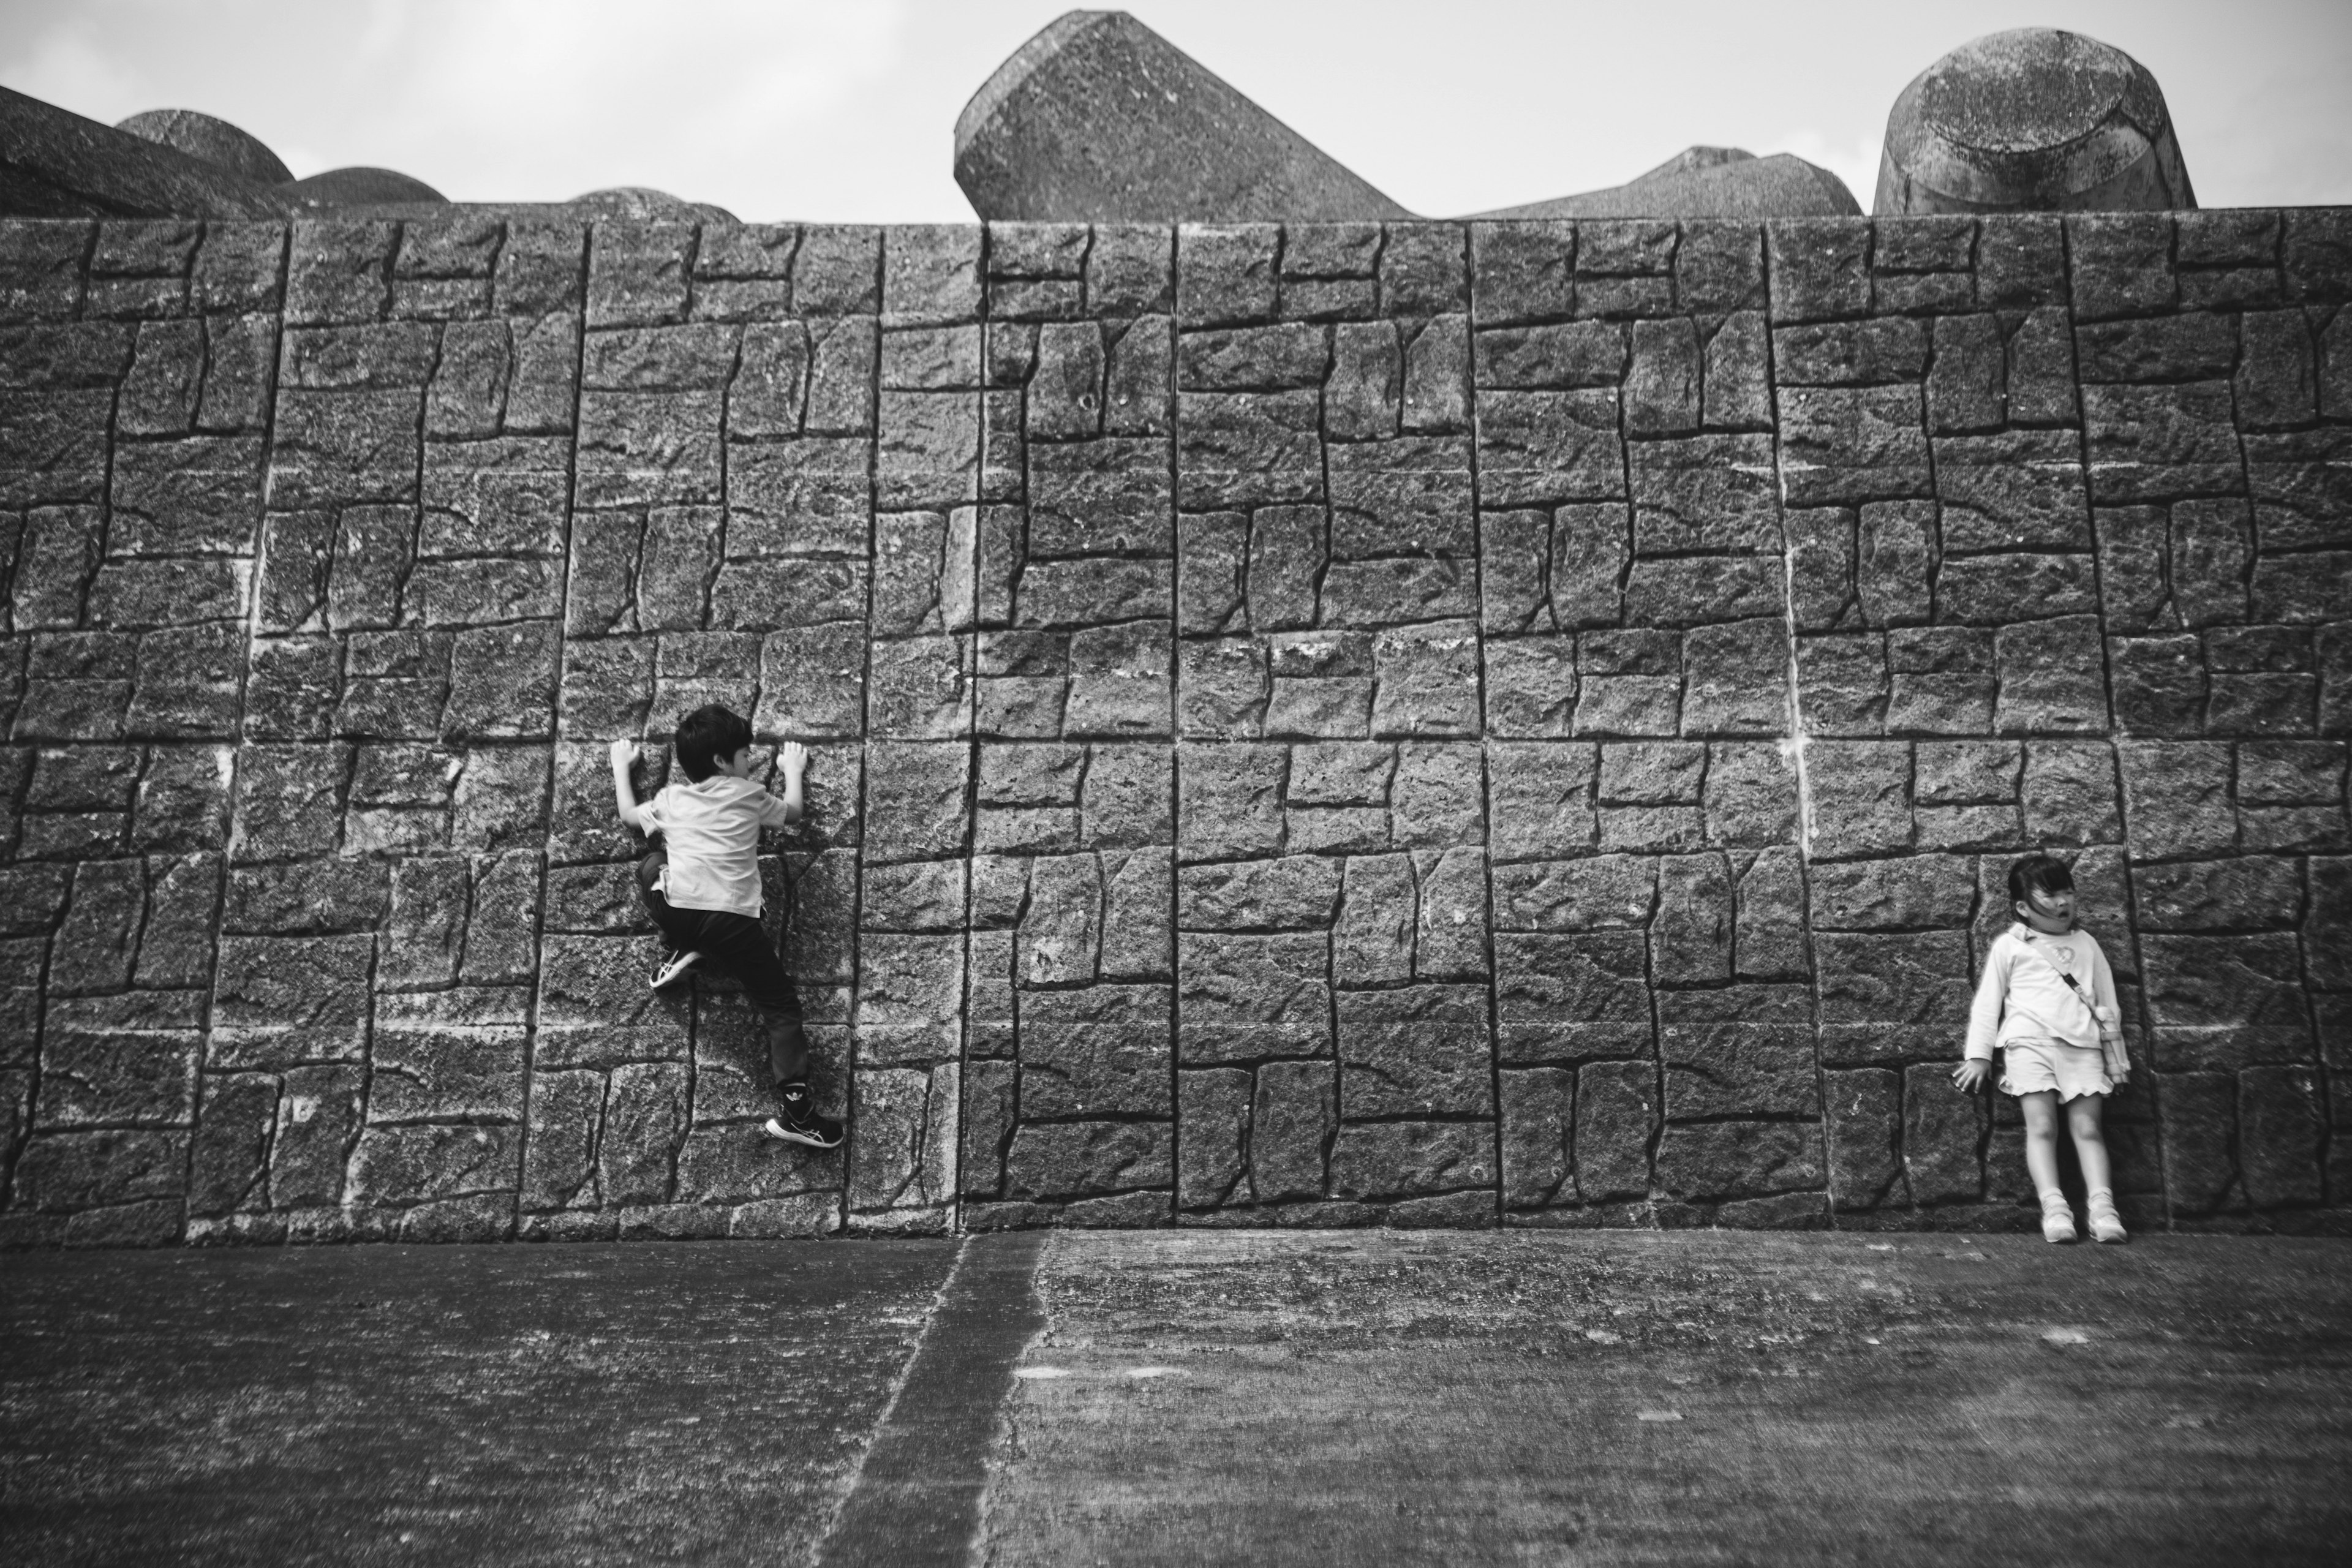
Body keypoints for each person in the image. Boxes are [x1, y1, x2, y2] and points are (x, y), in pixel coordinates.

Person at [609, 705, 842, 1150]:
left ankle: (682, 946)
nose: (748, 763)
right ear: (722, 762)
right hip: (734, 920)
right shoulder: (751, 794)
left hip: (679, 907)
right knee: (779, 1005)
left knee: (652, 865)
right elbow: (792, 813)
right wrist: (792, 769)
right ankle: (798, 1111)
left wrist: (622, 767)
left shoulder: (671, 799)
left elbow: (628, 817)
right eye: (743, 755)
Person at [1953, 853, 2129, 1243]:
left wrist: (2117, 1062)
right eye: (2051, 894)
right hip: (2027, 1046)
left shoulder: (2087, 944)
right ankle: (2055, 1209)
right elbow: (1988, 1001)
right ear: (2022, 907)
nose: (2064, 901)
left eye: (2068, 891)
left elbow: (2108, 1006)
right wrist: (1979, 1055)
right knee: (2043, 1127)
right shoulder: (2009, 947)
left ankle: (2103, 1209)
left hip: (2083, 1047)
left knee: (2088, 1128)